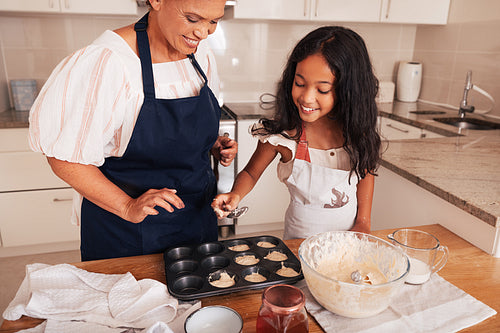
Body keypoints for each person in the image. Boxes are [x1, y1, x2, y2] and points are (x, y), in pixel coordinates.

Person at [28, 0, 237, 261]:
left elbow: (175, 134)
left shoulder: (201, 54)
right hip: (127, 232)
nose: (203, 33)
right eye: (193, 19)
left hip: (196, 219)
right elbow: (64, 158)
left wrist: (210, 142)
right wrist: (128, 206)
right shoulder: (107, 62)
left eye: (214, 21)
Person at [212, 26, 380, 239]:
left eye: (322, 89)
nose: (307, 97)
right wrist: (235, 195)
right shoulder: (284, 135)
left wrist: (364, 222)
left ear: (349, 90)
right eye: (299, 83)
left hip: (347, 243)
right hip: (298, 243)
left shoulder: (357, 134)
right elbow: (251, 173)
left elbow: (365, 174)